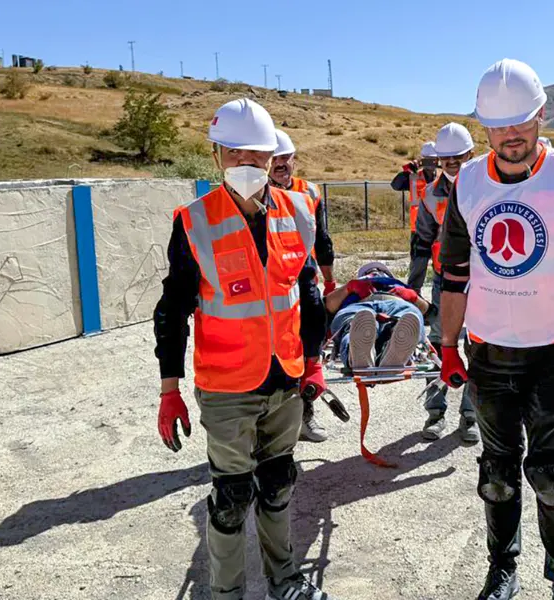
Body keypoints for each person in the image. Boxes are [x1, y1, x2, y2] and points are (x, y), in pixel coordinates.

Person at [437, 58, 554, 600]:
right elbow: (453, 275)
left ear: (542, 114)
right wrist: (449, 346)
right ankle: (502, 570)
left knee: (551, 474)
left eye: (520, 122)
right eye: (498, 126)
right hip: (490, 354)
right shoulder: (467, 184)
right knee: (496, 475)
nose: (510, 135)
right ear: (484, 127)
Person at [153, 98, 336, 600]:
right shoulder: (194, 222)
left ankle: (286, 582)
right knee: (231, 498)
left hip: (286, 378)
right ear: (216, 157)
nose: (246, 164)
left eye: (256, 154)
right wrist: (170, 390)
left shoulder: (300, 209)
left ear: (272, 155)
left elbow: (309, 295)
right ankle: (226, 593)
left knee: (279, 485)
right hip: (227, 385)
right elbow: (172, 311)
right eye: (234, 154)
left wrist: (315, 362)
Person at [269, 128, 336, 442]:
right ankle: (273, 426)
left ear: (294, 159)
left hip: (304, 276)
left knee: (310, 347)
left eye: (286, 157)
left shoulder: (310, 192)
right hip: (269, 283)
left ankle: (306, 417)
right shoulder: (253, 192)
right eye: (275, 158)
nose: (281, 163)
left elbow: (322, 240)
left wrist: (331, 280)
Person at [416, 122, 479, 443]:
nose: (452, 163)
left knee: (479, 347)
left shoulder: (488, 186)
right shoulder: (429, 195)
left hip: (484, 284)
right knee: (439, 346)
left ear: (471, 153)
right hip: (445, 283)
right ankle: (435, 412)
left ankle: (471, 416)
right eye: (446, 158)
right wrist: (411, 291)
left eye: (459, 156)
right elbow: (421, 242)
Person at [324, 261, 436, 370]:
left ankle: (363, 355)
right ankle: (363, 353)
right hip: (359, 305)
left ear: (388, 275)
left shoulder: (398, 284)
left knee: (408, 320)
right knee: (356, 323)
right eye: (370, 271)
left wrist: (413, 297)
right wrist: (348, 288)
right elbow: (326, 306)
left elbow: (430, 313)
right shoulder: (352, 286)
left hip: (397, 303)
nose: (375, 272)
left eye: (380, 270)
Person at [391, 141, 440, 291]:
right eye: (426, 160)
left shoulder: (443, 178)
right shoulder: (412, 177)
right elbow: (396, 185)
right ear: (421, 160)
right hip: (418, 229)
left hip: (439, 230)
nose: (430, 164)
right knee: (417, 267)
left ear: (437, 160)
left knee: (440, 270)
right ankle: (413, 298)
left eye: (433, 160)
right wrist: (407, 170)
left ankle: (438, 303)